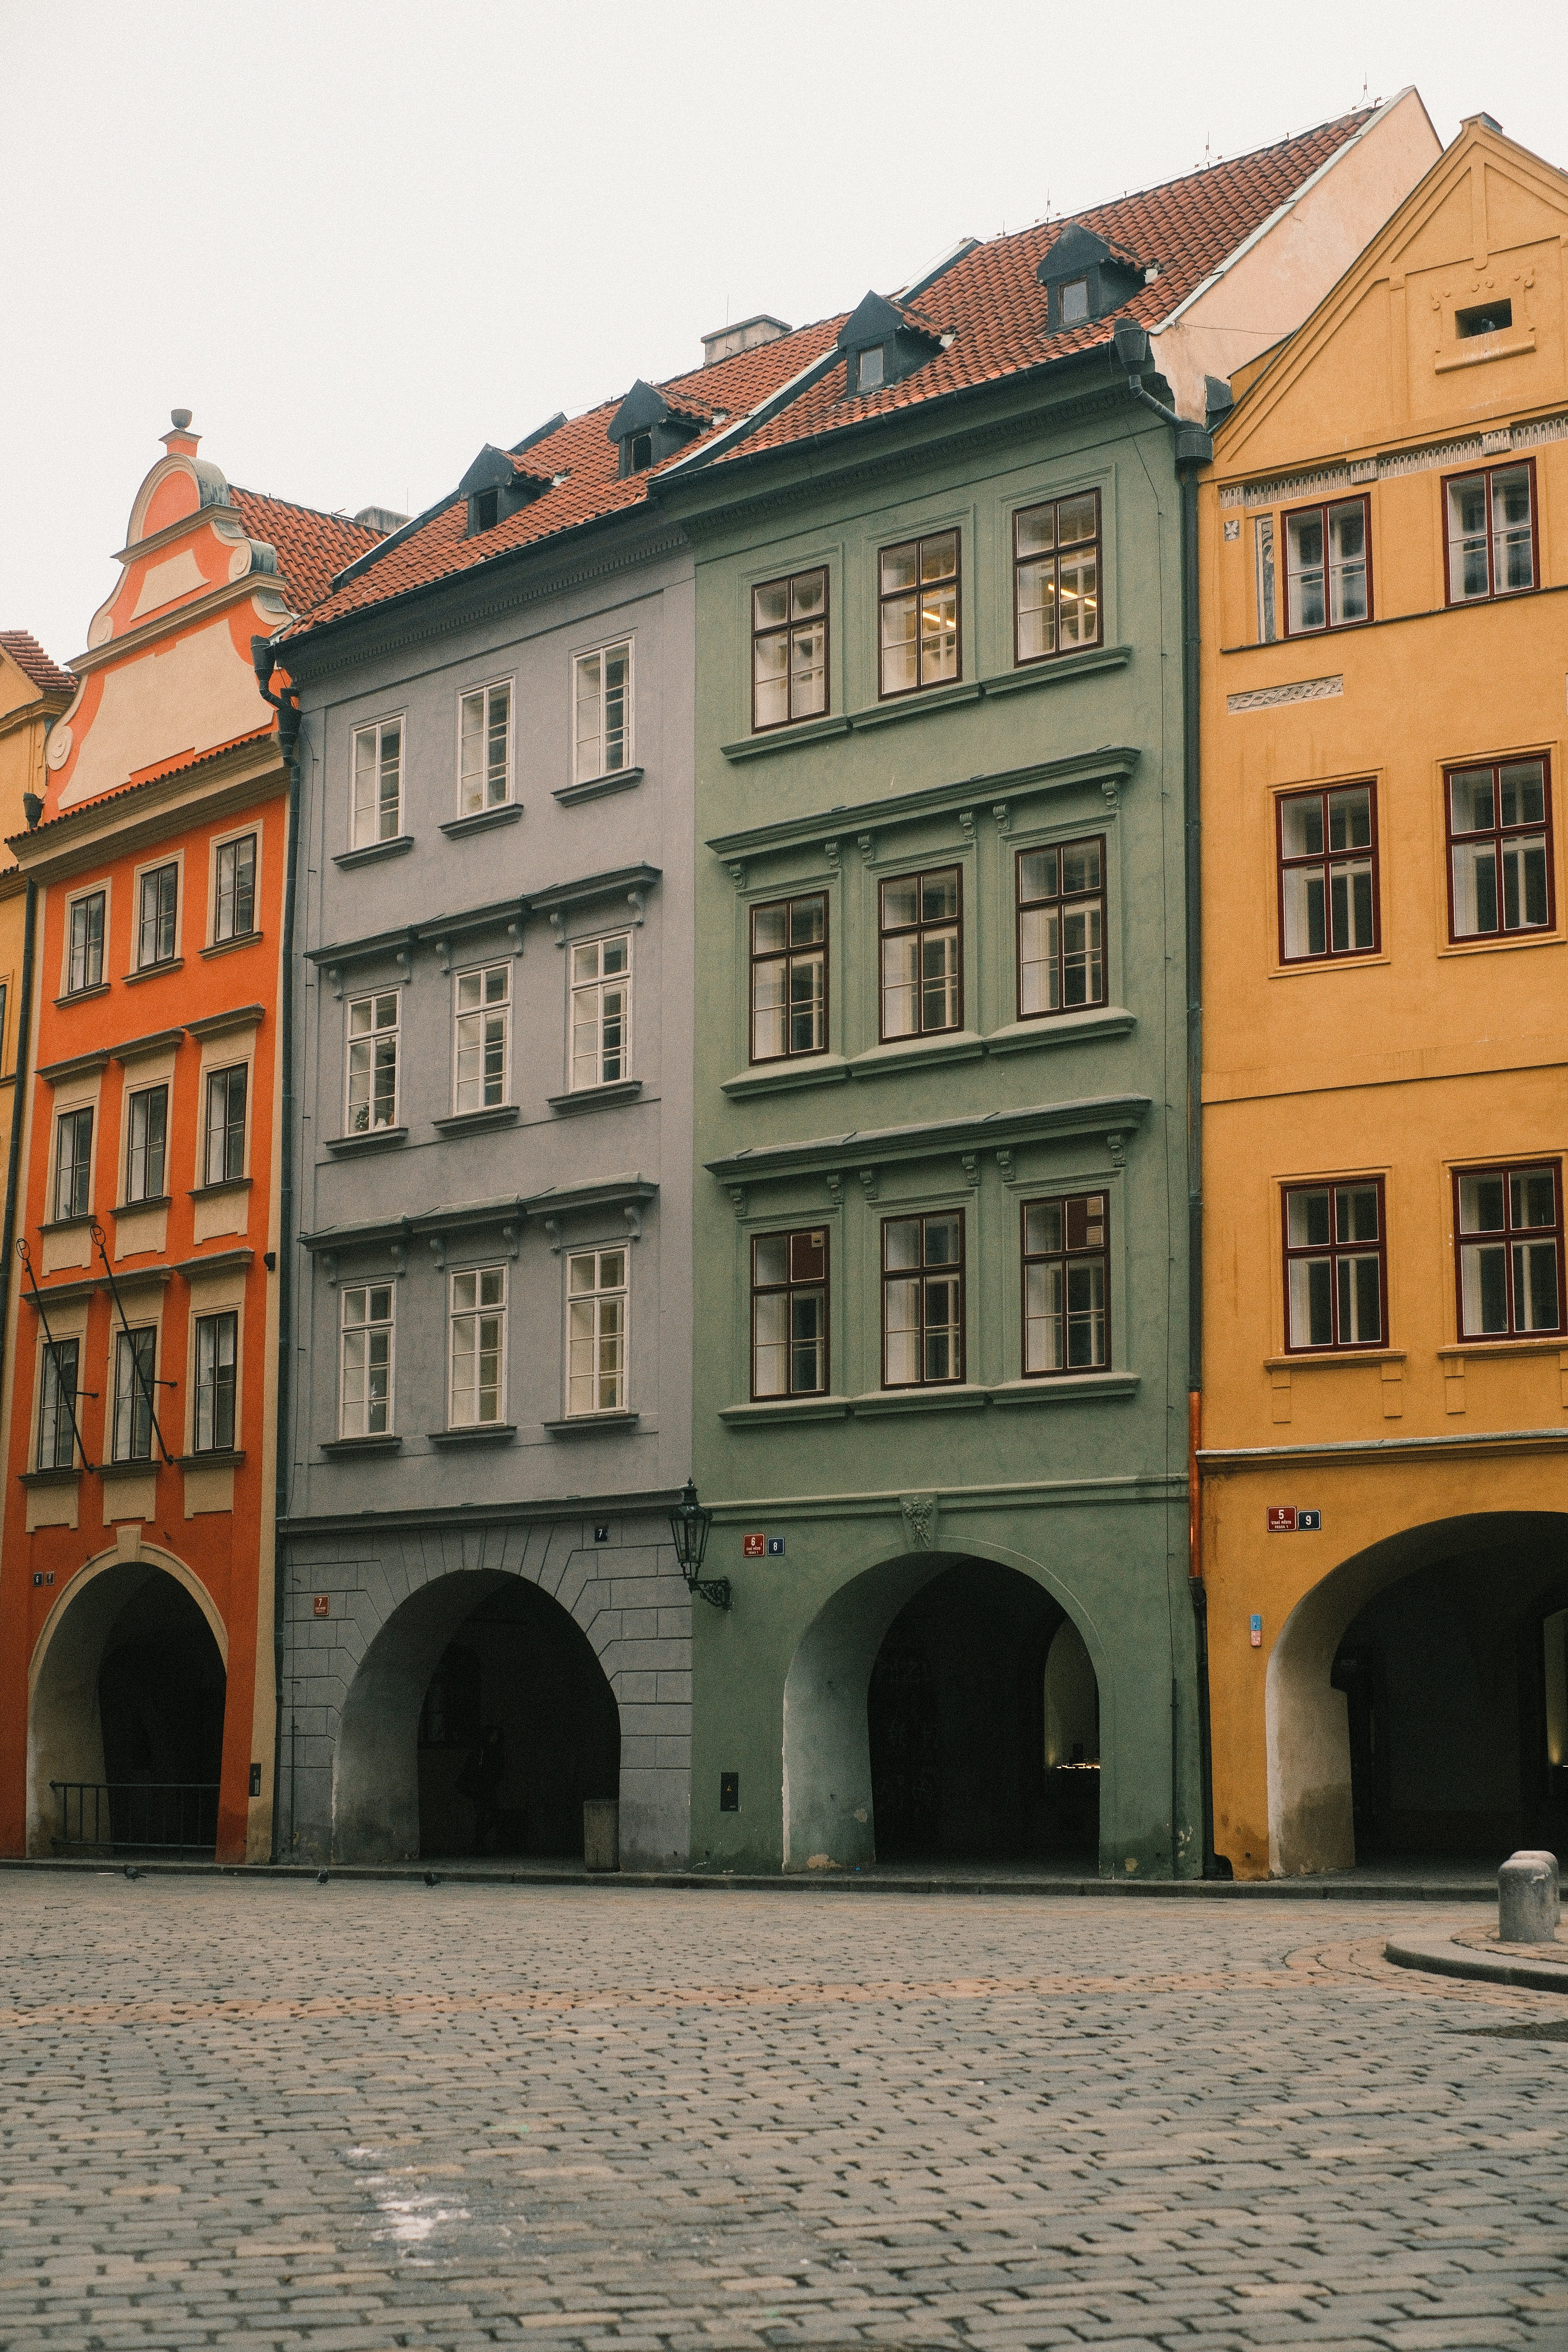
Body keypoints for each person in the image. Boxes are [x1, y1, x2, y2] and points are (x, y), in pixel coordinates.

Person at [455, 1724, 505, 1854]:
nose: (496, 1737)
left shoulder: (492, 1750)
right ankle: (479, 1843)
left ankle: (479, 1841)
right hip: (481, 1788)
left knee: (488, 1815)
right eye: (494, 1735)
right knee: (485, 1815)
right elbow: (474, 1769)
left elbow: (496, 1770)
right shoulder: (482, 1750)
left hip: (485, 1788)